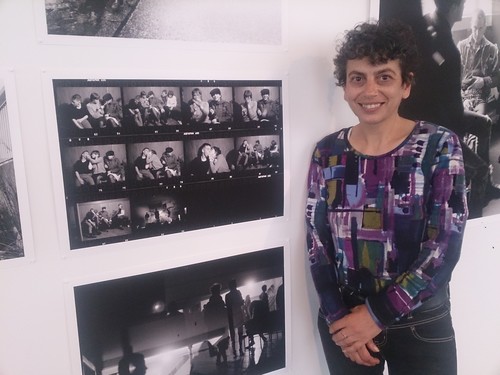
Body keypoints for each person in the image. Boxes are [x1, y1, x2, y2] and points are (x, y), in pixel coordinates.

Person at [306, 20, 468, 374]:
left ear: (405, 85)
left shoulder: (439, 145)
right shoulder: (327, 152)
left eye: (384, 76)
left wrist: (378, 314)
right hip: (346, 322)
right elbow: (317, 245)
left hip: (420, 323)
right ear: (345, 87)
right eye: (358, 78)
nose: (369, 90)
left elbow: (444, 246)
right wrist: (339, 318)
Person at [386, 0, 499, 218]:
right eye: (463, 4)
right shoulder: (446, 46)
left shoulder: (429, 23)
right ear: (456, 8)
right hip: (434, 120)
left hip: (436, 109)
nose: (464, 7)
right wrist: (457, 142)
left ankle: (486, 191)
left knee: (483, 124)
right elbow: (450, 108)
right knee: (480, 169)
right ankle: (472, 217)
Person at [458, 9, 499, 115]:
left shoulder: (492, 49)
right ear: (471, 26)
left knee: (478, 121)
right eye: (475, 28)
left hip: (482, 98)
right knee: (464, 119)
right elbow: (454, 77)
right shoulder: (461, 47)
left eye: (480, 28)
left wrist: (484, 81)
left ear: (485, 27)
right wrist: (462, 99)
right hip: (463, 96)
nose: (477, 33)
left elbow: (497, 78)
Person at [224, 279, 245, 356]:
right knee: (240, 333)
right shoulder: (238, 293)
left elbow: (227, 306)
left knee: (233, 334)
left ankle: (234, 351)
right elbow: (241, 302)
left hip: (231, 315)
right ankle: (240, 349)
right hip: (238, 313)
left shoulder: (227, 296)